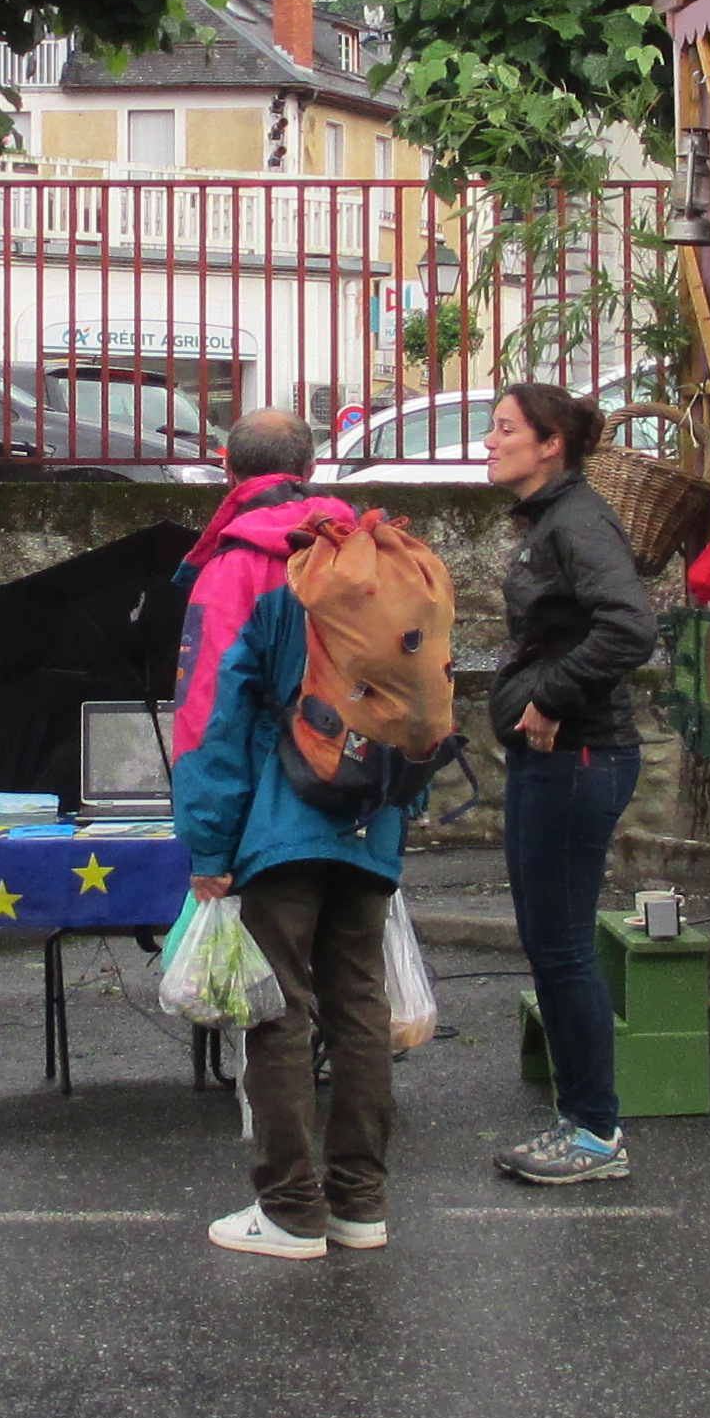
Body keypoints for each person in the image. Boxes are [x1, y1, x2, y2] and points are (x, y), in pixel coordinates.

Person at [170, 408, 410, 1259]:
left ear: (227, 469)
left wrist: (206, 843)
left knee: (276, 1007)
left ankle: (289, 1210)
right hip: (369, 810)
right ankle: (360, 1204)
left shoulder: (242, 563)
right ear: (309, 464)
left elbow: (208, 712)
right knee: (358, 1003)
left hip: (280, 819)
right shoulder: (366, 548)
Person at [484, 378, 662, 1189]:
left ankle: (595, 1132)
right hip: (551, 761)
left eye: (504, 429)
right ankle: (581, 1120)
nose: (489, 441)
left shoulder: (579, 520)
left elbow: (630, 624)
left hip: (579, 760)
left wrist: (554, 696)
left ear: (550, 443)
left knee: (561, 946)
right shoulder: (553, 520)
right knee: (550, 944)